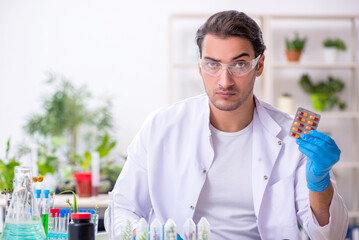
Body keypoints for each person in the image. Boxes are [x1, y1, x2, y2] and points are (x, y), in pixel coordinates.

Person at [105, 10, 348, 239]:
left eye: (239, 64)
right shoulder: (161, 127)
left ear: (259, 65)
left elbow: (329, 235)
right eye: (213, 64)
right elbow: (122, 209)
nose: (225, 80)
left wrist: (320, 181)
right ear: (200, 65)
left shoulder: (291, 138)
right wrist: (147, 235)